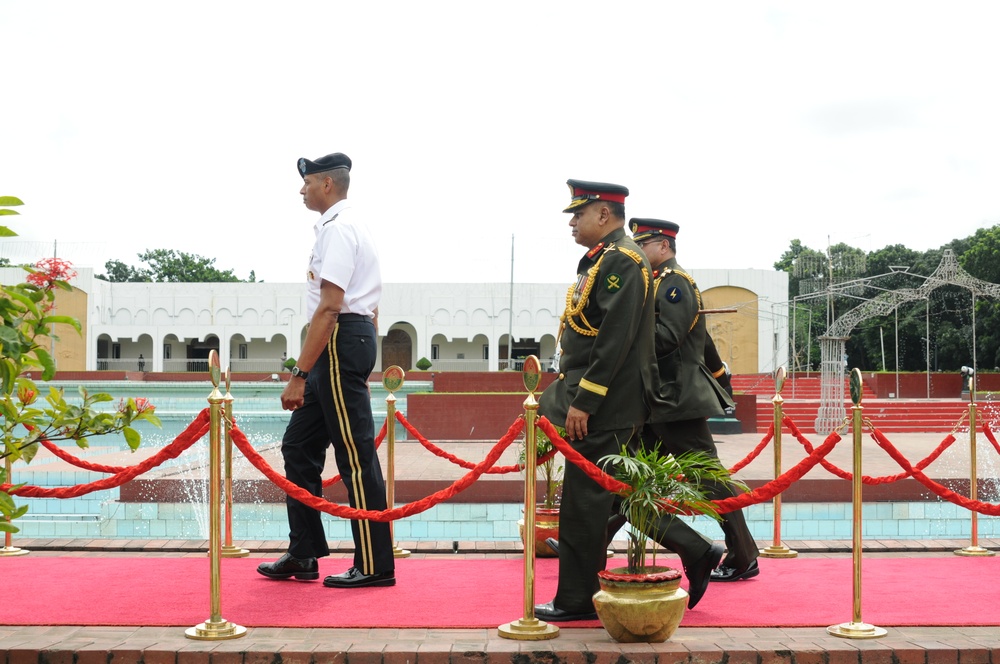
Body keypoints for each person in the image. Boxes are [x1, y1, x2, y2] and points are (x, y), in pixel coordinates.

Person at [534, 181, 723, 623]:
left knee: (585, 501)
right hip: (607, 400)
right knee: (615, 496)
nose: (572, 222)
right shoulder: (604, 260)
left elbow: (615, 338)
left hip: (607, 404)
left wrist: (586, 399)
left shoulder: (620, 260)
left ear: (604, 214)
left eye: (579, 214)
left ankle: (577, 599)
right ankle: (696, 550)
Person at [257, 152, 395, 589]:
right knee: (298, 447)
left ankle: (374, 563)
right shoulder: (344, 226)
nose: (302, 190)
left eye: (307, 182)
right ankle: (303, 554)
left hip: (336, 340)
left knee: (354, 454)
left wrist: (300, 372)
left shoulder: (339, 229)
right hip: (343, 341)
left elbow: (331, 305)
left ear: (327, 185)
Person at [630, 218, 760, 583]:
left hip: (676, 399)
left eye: (644, 244)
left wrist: (623, 334)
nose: (638, 252)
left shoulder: (676, 284)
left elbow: (667, 337)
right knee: (628, 473)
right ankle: (584, 547)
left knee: (709, 481)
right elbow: (703, 344)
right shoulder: (656, 283)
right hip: (658, 399)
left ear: (664, 247)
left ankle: (744, 553)